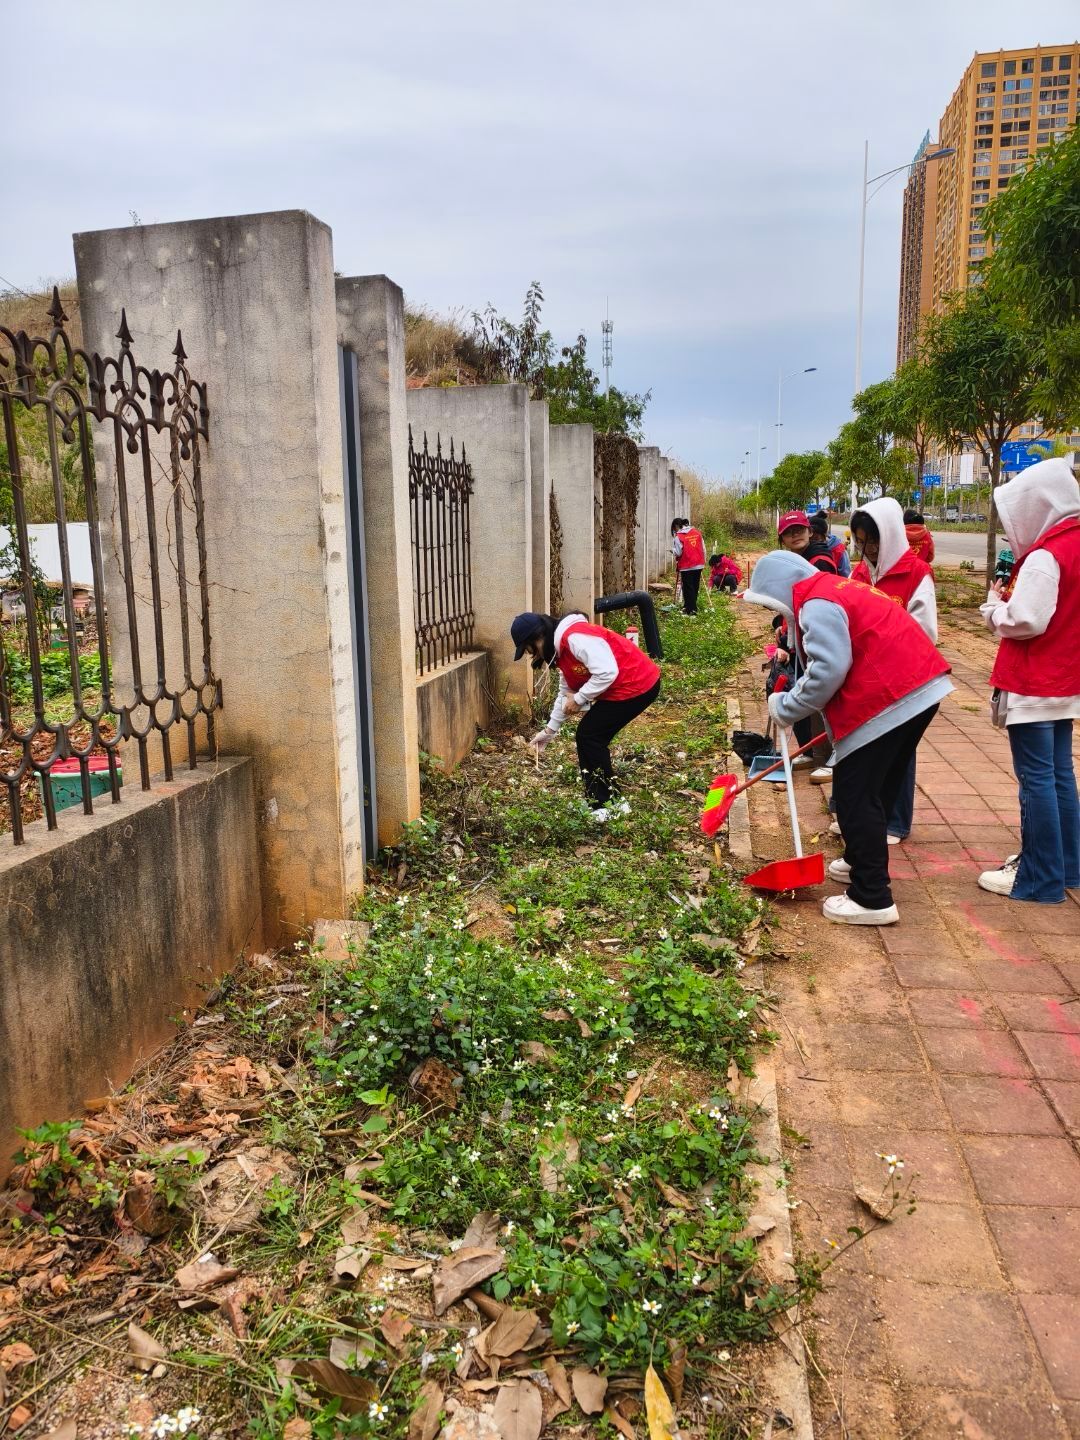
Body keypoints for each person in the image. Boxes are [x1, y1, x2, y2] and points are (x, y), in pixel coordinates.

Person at [743, 552, 953, 925]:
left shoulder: (815, 604)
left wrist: (786, 706)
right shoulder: (835, 588)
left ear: (779, 590)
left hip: (892, 695)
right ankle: (860, 859)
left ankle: (872, 897)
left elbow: (828, 670)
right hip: (919, 687)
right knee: (877, 786)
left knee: (855, 793)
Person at [976, 457, 1080, 903]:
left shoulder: (1046, 555)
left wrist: (994, 612)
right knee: (1059, 776)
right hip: (1066, 679)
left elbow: (1028, 619)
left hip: (1035, 681)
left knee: (1037, 779)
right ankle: (1068, 867)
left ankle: (1039, 879)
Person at [511, 610, 661, 823]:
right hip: (627, 686)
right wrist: (549, 731)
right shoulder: (562, 651)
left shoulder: (575, 638)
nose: (534, 656)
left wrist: (580, 698)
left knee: (590, 736)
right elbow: (565, 692)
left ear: (539, 637)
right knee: (589, 736)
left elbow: (607, 672)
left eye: (530, 650)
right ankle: (599, 801)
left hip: (638, 684)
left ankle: (609, 803)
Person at [850, 498, 939, 845]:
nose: (868, 549)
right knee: (867, 748)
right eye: (860, 542)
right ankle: (859, 812)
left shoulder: (916, 573)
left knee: (900, 751)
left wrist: (882, 638)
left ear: (888, 537)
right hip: (868, 676)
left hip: (906, 680)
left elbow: (925, 632)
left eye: (873, 541)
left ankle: (895, 822)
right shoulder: (859, 573)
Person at [672, 518, 706, 614]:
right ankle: (689, 606)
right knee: (695, 587)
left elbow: (678, 552)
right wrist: (703, 562)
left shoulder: (679, 536)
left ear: (677, 526)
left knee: (688, 587)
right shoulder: (697, 533)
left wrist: (672, 551)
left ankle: (692, 610)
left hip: (687, 565)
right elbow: (703, 548)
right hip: (698, 564)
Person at [809, 511, 852, 577]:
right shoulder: (806, 548)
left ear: (825, 535)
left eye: (816, 539)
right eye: (810, 539)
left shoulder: (839, 550)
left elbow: (846, 574)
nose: (813, 542)